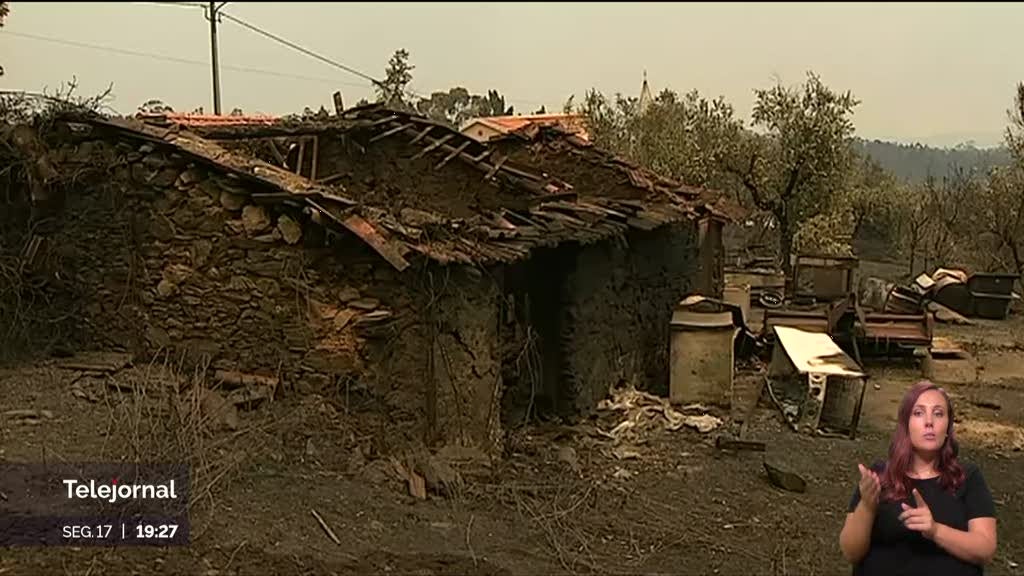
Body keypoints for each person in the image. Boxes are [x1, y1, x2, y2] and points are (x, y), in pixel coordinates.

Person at [839, 380, 998, 575]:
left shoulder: (967, 477)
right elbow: (851, 553)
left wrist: (936, 531)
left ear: (947, 428)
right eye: (918, 413)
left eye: (938, 413)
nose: (929, 421)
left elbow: (985, 549)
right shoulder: (879, 477)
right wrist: (867, 506)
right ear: (905, 425)